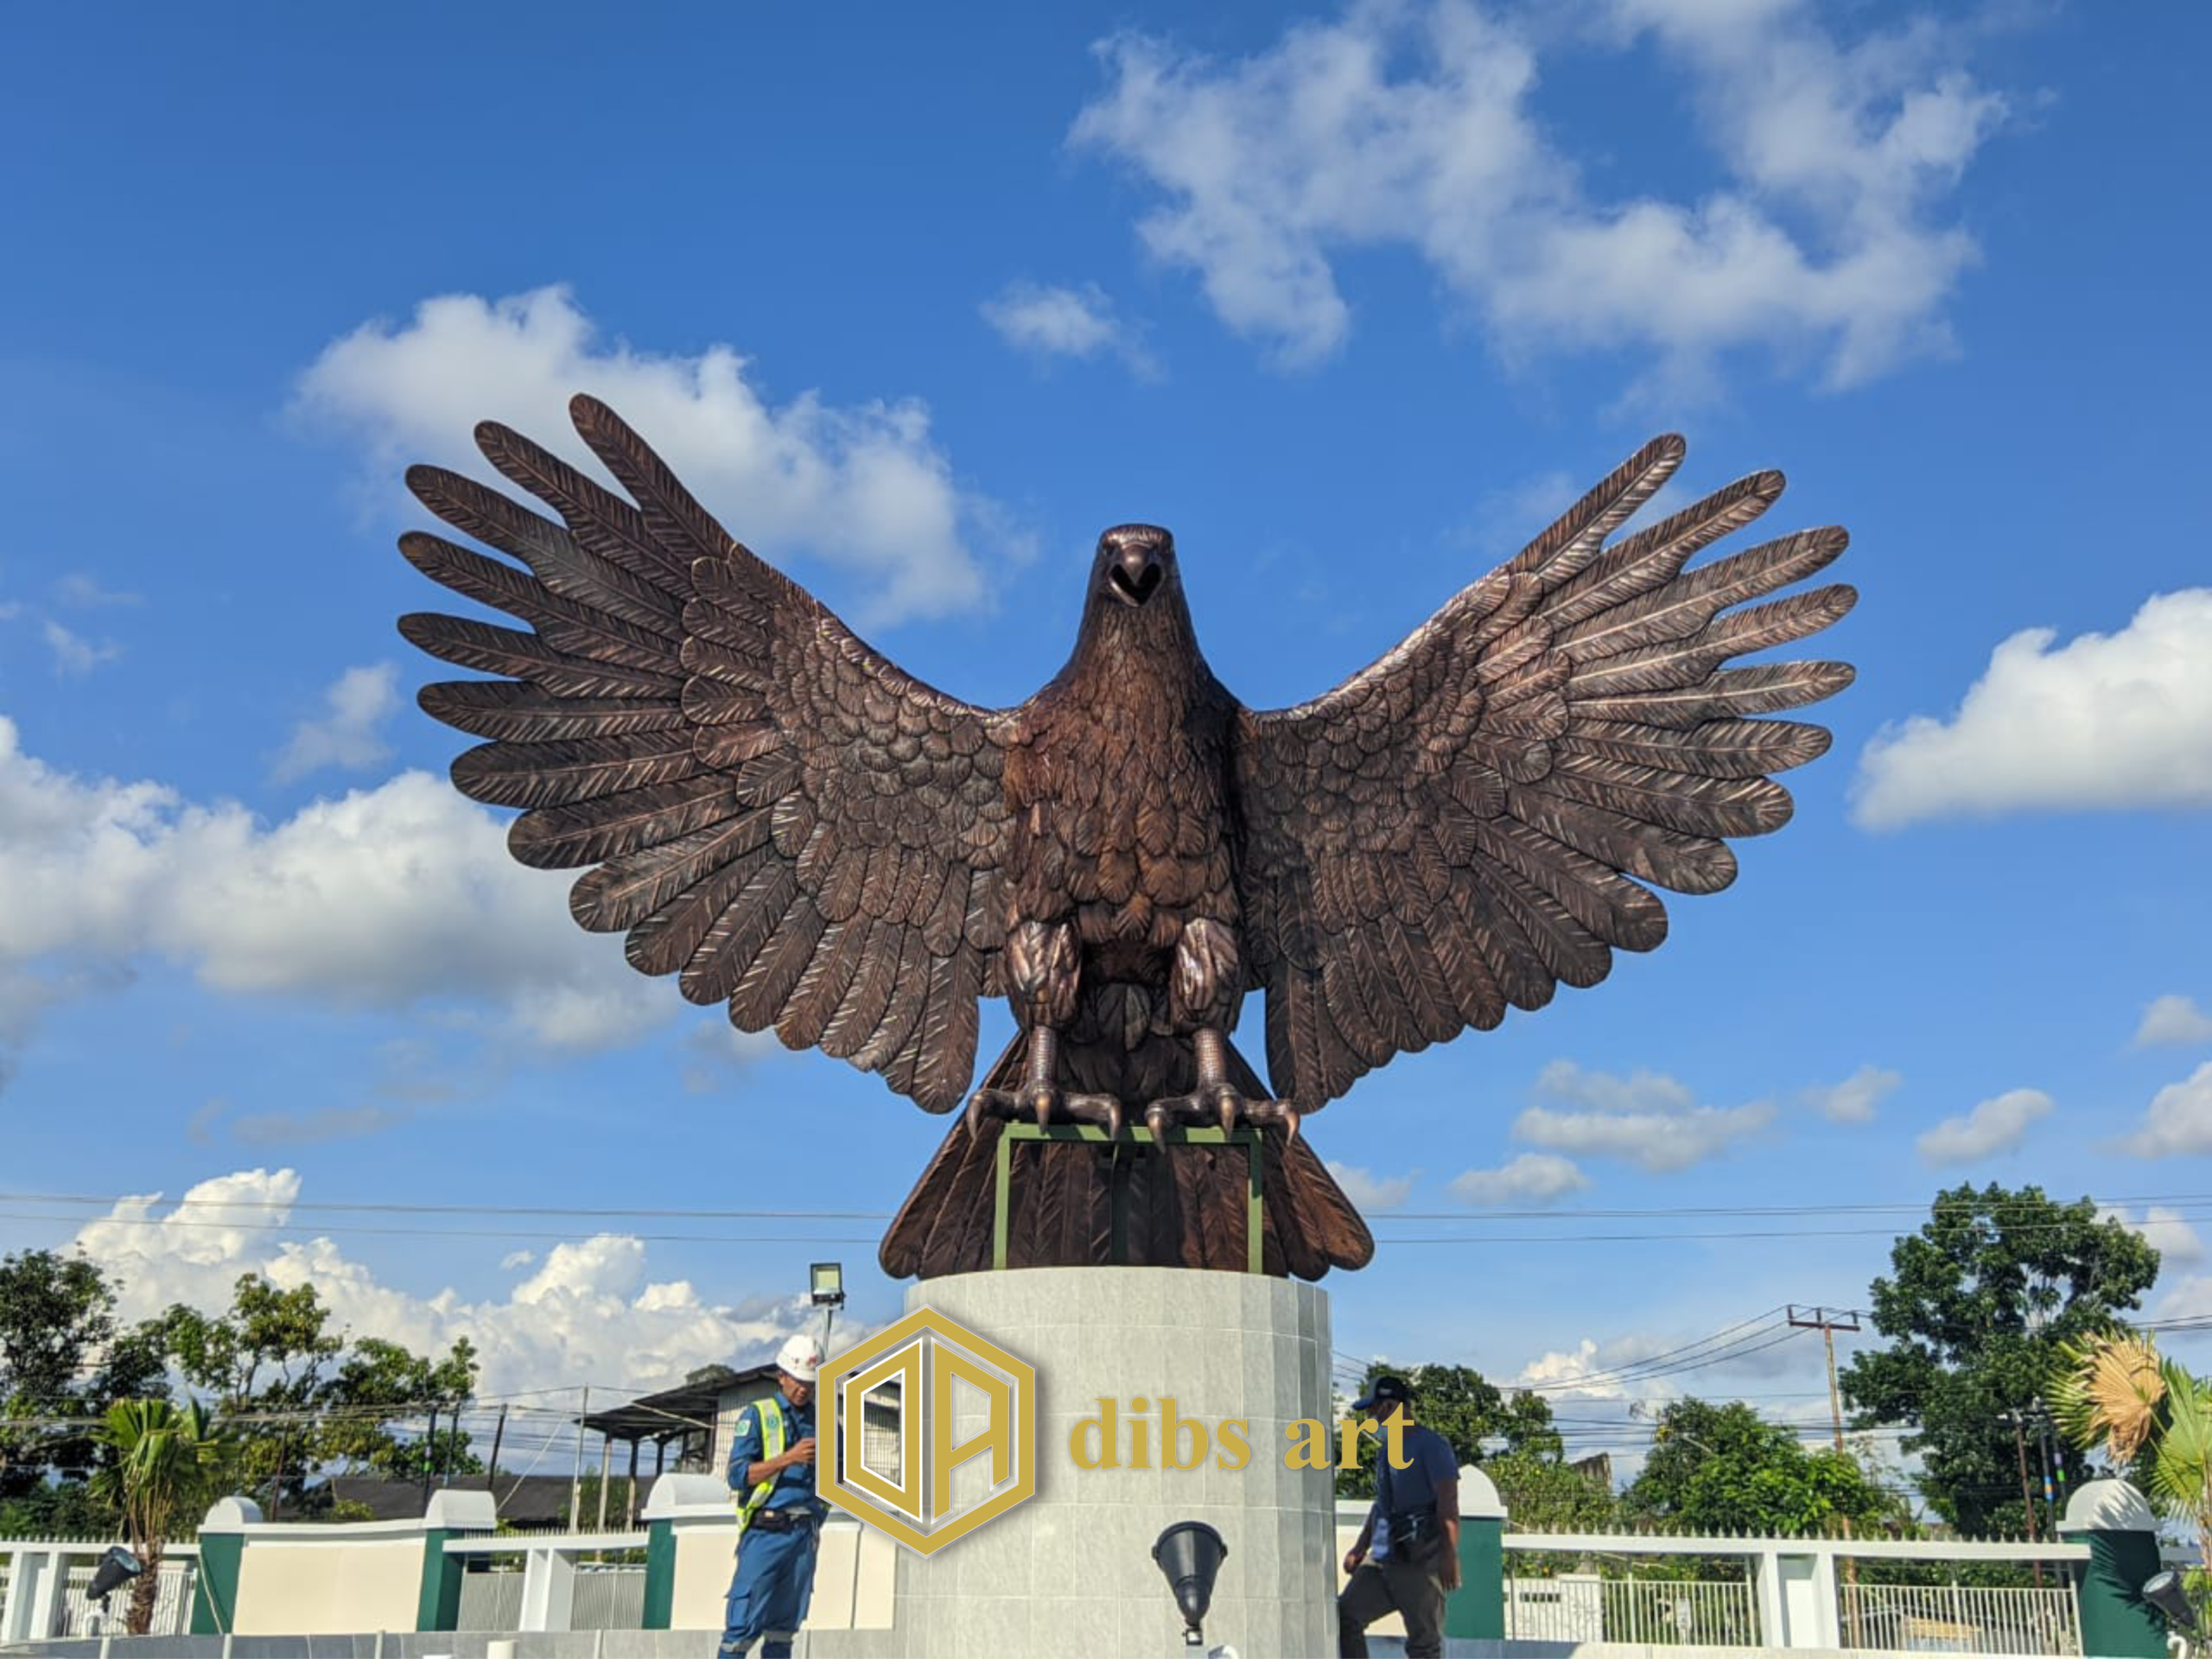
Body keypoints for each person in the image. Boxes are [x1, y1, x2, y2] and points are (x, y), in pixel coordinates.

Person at [1337, 1374, 1461, 1659]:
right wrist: (1360, 1547)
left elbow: (1448, 1503)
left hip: (1420, 1559)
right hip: (1383, 1557)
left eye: (1373, 1410)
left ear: (1390, 1407)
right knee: (1346, 1615)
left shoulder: (1431, 1446)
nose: (1370, 1417)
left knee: (1423, 1643)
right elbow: (1381, 1505)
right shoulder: (1386, 1452)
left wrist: (1449, 1555)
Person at [721, 1334, 825, 1659]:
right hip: (766, 1532)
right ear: (781, 1375)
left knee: (784, 1630)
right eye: (798, 1381)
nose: (803, 1389)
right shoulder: (758, 1415)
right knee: (741, 1629)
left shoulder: (824, 1422)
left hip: (803, 1535)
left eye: (810, 1382)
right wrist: (789, 1458)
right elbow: (738, 1475)